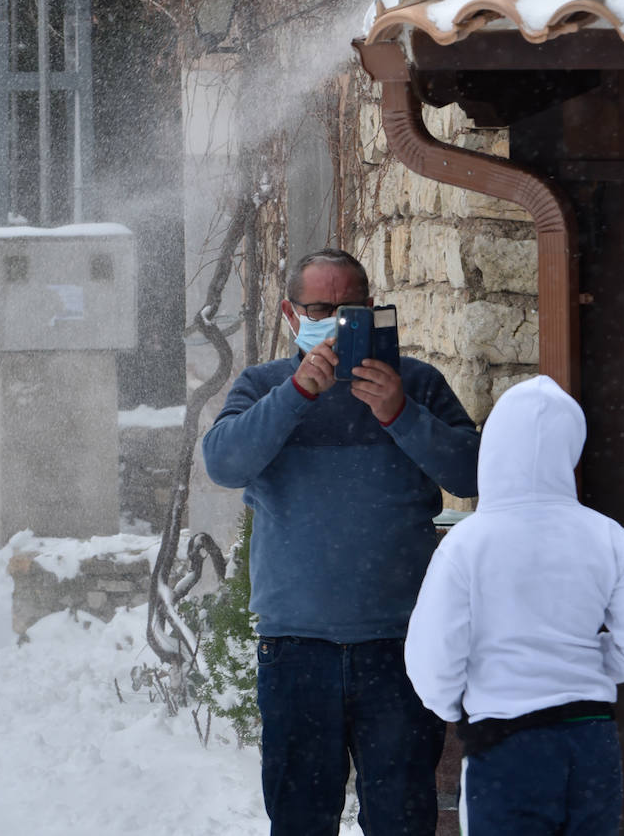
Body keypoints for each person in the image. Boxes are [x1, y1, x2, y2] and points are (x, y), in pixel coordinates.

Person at [202, 247, 479, 836]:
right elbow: (224, 463)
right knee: (301, 818)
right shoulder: (263, 386)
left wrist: (399, 412)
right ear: (291, 314)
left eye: (350, 308)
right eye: (321, 308)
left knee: (402, 819)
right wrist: (296, 394)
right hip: (296, 649)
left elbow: (471, 474)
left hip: (400, 648)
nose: (335, 319)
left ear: (374, 312)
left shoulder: (418, 383)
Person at [404, 374, 624, 836]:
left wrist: (453, 706)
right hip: (591, 740)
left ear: (493, 450)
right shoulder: (606, 536)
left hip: (506, 744)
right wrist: (584, 668)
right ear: (570, 449)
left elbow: (430, 657)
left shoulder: (467, 544)